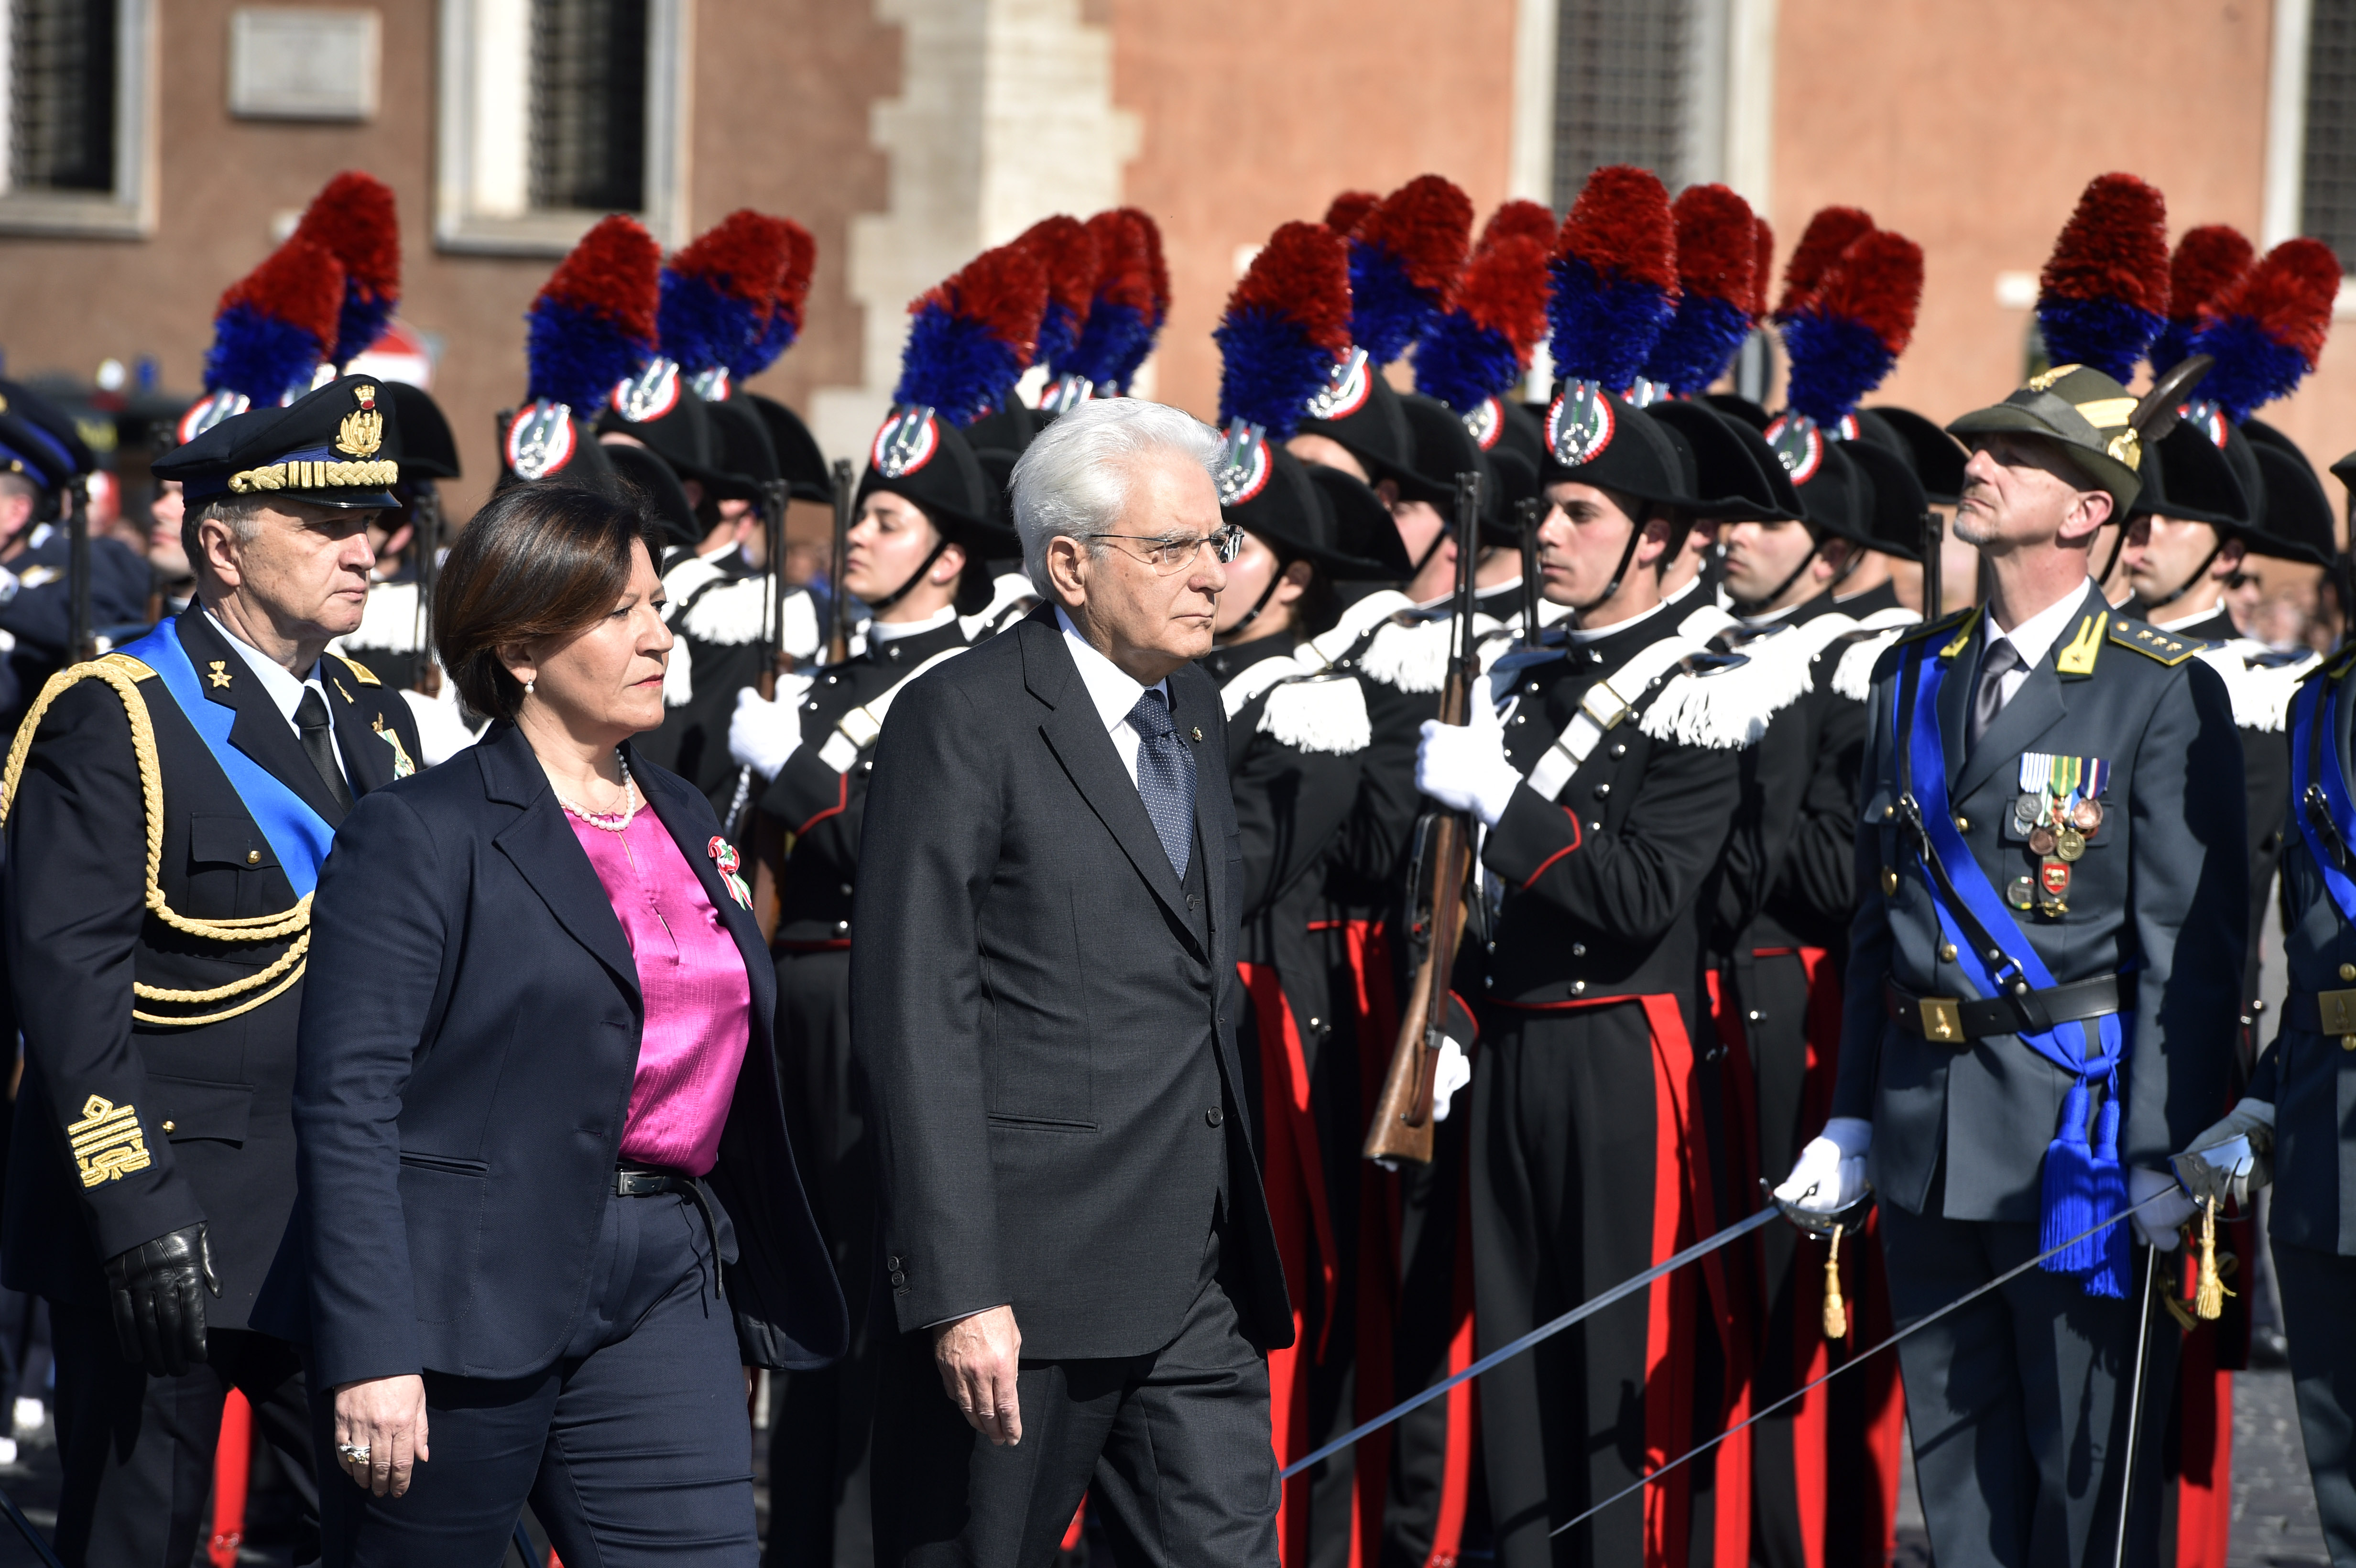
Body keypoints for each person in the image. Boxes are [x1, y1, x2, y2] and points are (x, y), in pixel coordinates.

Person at [261, 479, 845, 1564]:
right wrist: (372, 1346)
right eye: (619, 611)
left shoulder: (681, 812)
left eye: (658, 604)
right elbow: (347, 1108)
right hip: (459, 1294)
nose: (659, 634)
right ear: (523, 648)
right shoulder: (422, 832)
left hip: (667, 1269)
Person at [1779, 364, 2247, 1566]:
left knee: (2083, 1484)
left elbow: (2183, 955)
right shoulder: (1911, 673)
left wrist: (2165, 1148)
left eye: (2014, 456)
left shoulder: (2157, 692)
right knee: (1960, 1482)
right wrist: (1848, 1119)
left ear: (2090, 511)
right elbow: (1877, 919)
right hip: (1927, 1126)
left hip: (2074, 1149)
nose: (1974, 466)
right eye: (1978, 448)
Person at [853, 397, 1291, 1564]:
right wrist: (955, 1286)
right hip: (1024, 1282)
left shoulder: (1191, 707)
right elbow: (915, 1014)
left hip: (1191, 1271)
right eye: (1174, 548)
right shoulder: (964, 716)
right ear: (1069, 563)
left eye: (1220, 541)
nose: (1212, 574)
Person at [0, 375, 426, 1567]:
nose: (363, 550)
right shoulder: (117, 715)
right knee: (139, 1538)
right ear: (222, 547)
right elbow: (70, 994)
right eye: (326, 526)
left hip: (333, 1222)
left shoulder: (373, 718)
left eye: (369, 524)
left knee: (368, 1533)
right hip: (166, 1222)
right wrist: (134, 1211)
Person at [1417, 388, 1749, 1568]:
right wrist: (1448, 1011)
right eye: (1542, 509)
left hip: (1617, 1058)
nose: (1545, 532)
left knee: (1615, 1367)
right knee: (1507, 1368)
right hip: (1501, 1049)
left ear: (1655, 535)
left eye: (1578, 511)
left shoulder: (1706, 685)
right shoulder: (1522, 672)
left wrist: (1501, 800)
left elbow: (1635, 895)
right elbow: (1452, 897)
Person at [728, 393, 1019, 1568]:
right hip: (788, 1001)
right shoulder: (842, 672)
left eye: (887, 522)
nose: (854, 539)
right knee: (792, 1279)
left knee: (857, 1282)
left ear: (950, 555)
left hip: (863, 995)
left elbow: (881, 843)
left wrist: (790, 772)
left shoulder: (952, 682)